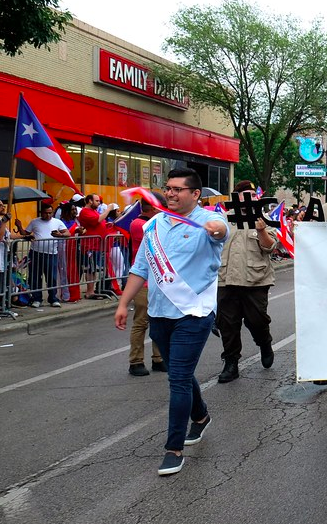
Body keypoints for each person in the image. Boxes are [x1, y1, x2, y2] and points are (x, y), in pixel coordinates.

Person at [114, 168, 229, 476]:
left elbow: (220, 231)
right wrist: (124, 303)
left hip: (194, 313)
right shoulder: (153, 225)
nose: (171, 193)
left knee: (177, 378)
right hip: (159, 312)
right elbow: (140, 268)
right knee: (182, 371)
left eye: (179, 189)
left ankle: (173, 448)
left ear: (195, 194)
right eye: (168, 188)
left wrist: (216, 228)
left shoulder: (208, 221)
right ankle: (201, 416)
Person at [216, 180, 279, 384]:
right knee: (228, 324)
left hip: (255, 281)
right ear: (236, 196)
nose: (250, 197)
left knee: (257, 320)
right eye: (245, 194)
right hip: (227, 281)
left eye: (253, 194)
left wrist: (261, 231)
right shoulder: (223, 220)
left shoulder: (264, 219)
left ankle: (264, 343)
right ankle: (231, 362)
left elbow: (270, 247)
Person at [126, 194, 167, 377]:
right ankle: (136, 361)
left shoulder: (155, 222)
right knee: (141, 322)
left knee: (159, 320)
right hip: (143, 280)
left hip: (157, 279)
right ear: (151, 208)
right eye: (159, 207)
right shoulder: (139, 224)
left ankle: (158, 358)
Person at [14, 202, 71, 308]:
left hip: (51, 253)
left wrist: (60, 234)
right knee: (35, 276)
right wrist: (19, 226)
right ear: (41, 213)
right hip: (36, 253)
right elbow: (24, 233)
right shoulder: (35, 222)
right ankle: (37, 298)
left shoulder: (57, 222)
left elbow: (68, 233)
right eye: (46, 213)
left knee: (51, 277)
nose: (48, 215)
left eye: (50, 213)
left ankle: (53, 298)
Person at [77, 194, 117, 299]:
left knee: (94, 269)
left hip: (97, 245)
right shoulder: (85, 211)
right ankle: (90, 291)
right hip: (90, 245)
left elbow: (99, 222)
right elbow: (97, 220)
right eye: (97, 201)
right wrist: (108, 209)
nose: (99, 203)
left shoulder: (93, 211)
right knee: (90, 269)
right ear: (90, 201)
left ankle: (92, 290)